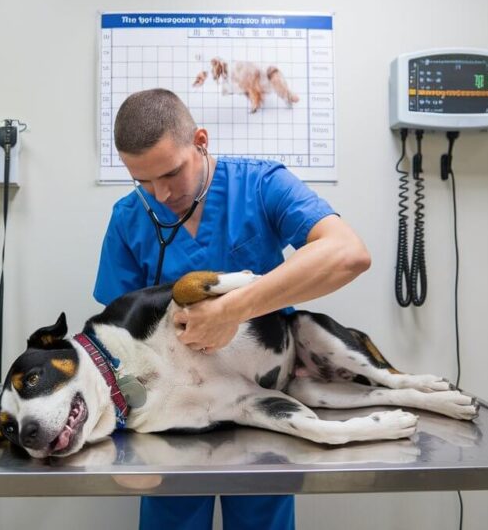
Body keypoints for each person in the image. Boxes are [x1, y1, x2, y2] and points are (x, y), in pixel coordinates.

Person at [93, 89, 371, 530]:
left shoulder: (260, 186)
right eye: (142, 181)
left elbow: (348, 253)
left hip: (262, 404)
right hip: (173, 417)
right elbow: (115, 341)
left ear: (200, 141)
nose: (160, 194)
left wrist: (233, 310)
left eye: (170, 173)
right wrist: (121, 431)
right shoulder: (129, 217)